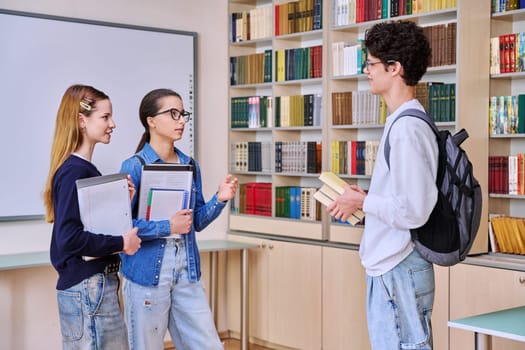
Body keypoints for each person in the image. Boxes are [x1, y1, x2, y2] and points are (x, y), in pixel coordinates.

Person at [327, 21, 437, 350]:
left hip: (398, 266)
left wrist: (362, 202)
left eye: (372, 63)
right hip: (394, 267)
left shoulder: (406, 128)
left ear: (395, 68)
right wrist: (365, 199)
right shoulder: (402, 122)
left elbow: (413, 211)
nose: (367, 70)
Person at [120, 88, 238, 350]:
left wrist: (219, 199)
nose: (182, 120)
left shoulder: (189, 164)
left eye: (183, 114)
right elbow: (123, 229)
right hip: (146, 276)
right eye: (173, 114)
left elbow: (194, 222)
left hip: (187, 274)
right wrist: (167, 227)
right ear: (151, 120)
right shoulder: (134, 166)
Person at [43, 84, 142, 349]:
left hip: (93, 285)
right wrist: (122, 244)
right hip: (89, 287)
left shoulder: (84, 170)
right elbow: (70, 239)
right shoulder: (75, 172)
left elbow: (91, 227)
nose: (113, 124)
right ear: (81, 120)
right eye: (105, 117)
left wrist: (122, 201)